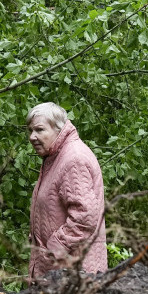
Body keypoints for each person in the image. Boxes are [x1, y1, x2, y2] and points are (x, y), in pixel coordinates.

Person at [26, 102, 107, 279]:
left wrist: (54, 248)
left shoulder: (73, 159)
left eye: (39, 130)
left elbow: (85, 218)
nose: (32, 137)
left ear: (58, 129)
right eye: (30, 130)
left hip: (72, 273)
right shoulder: (55, 156)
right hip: (59, 271)